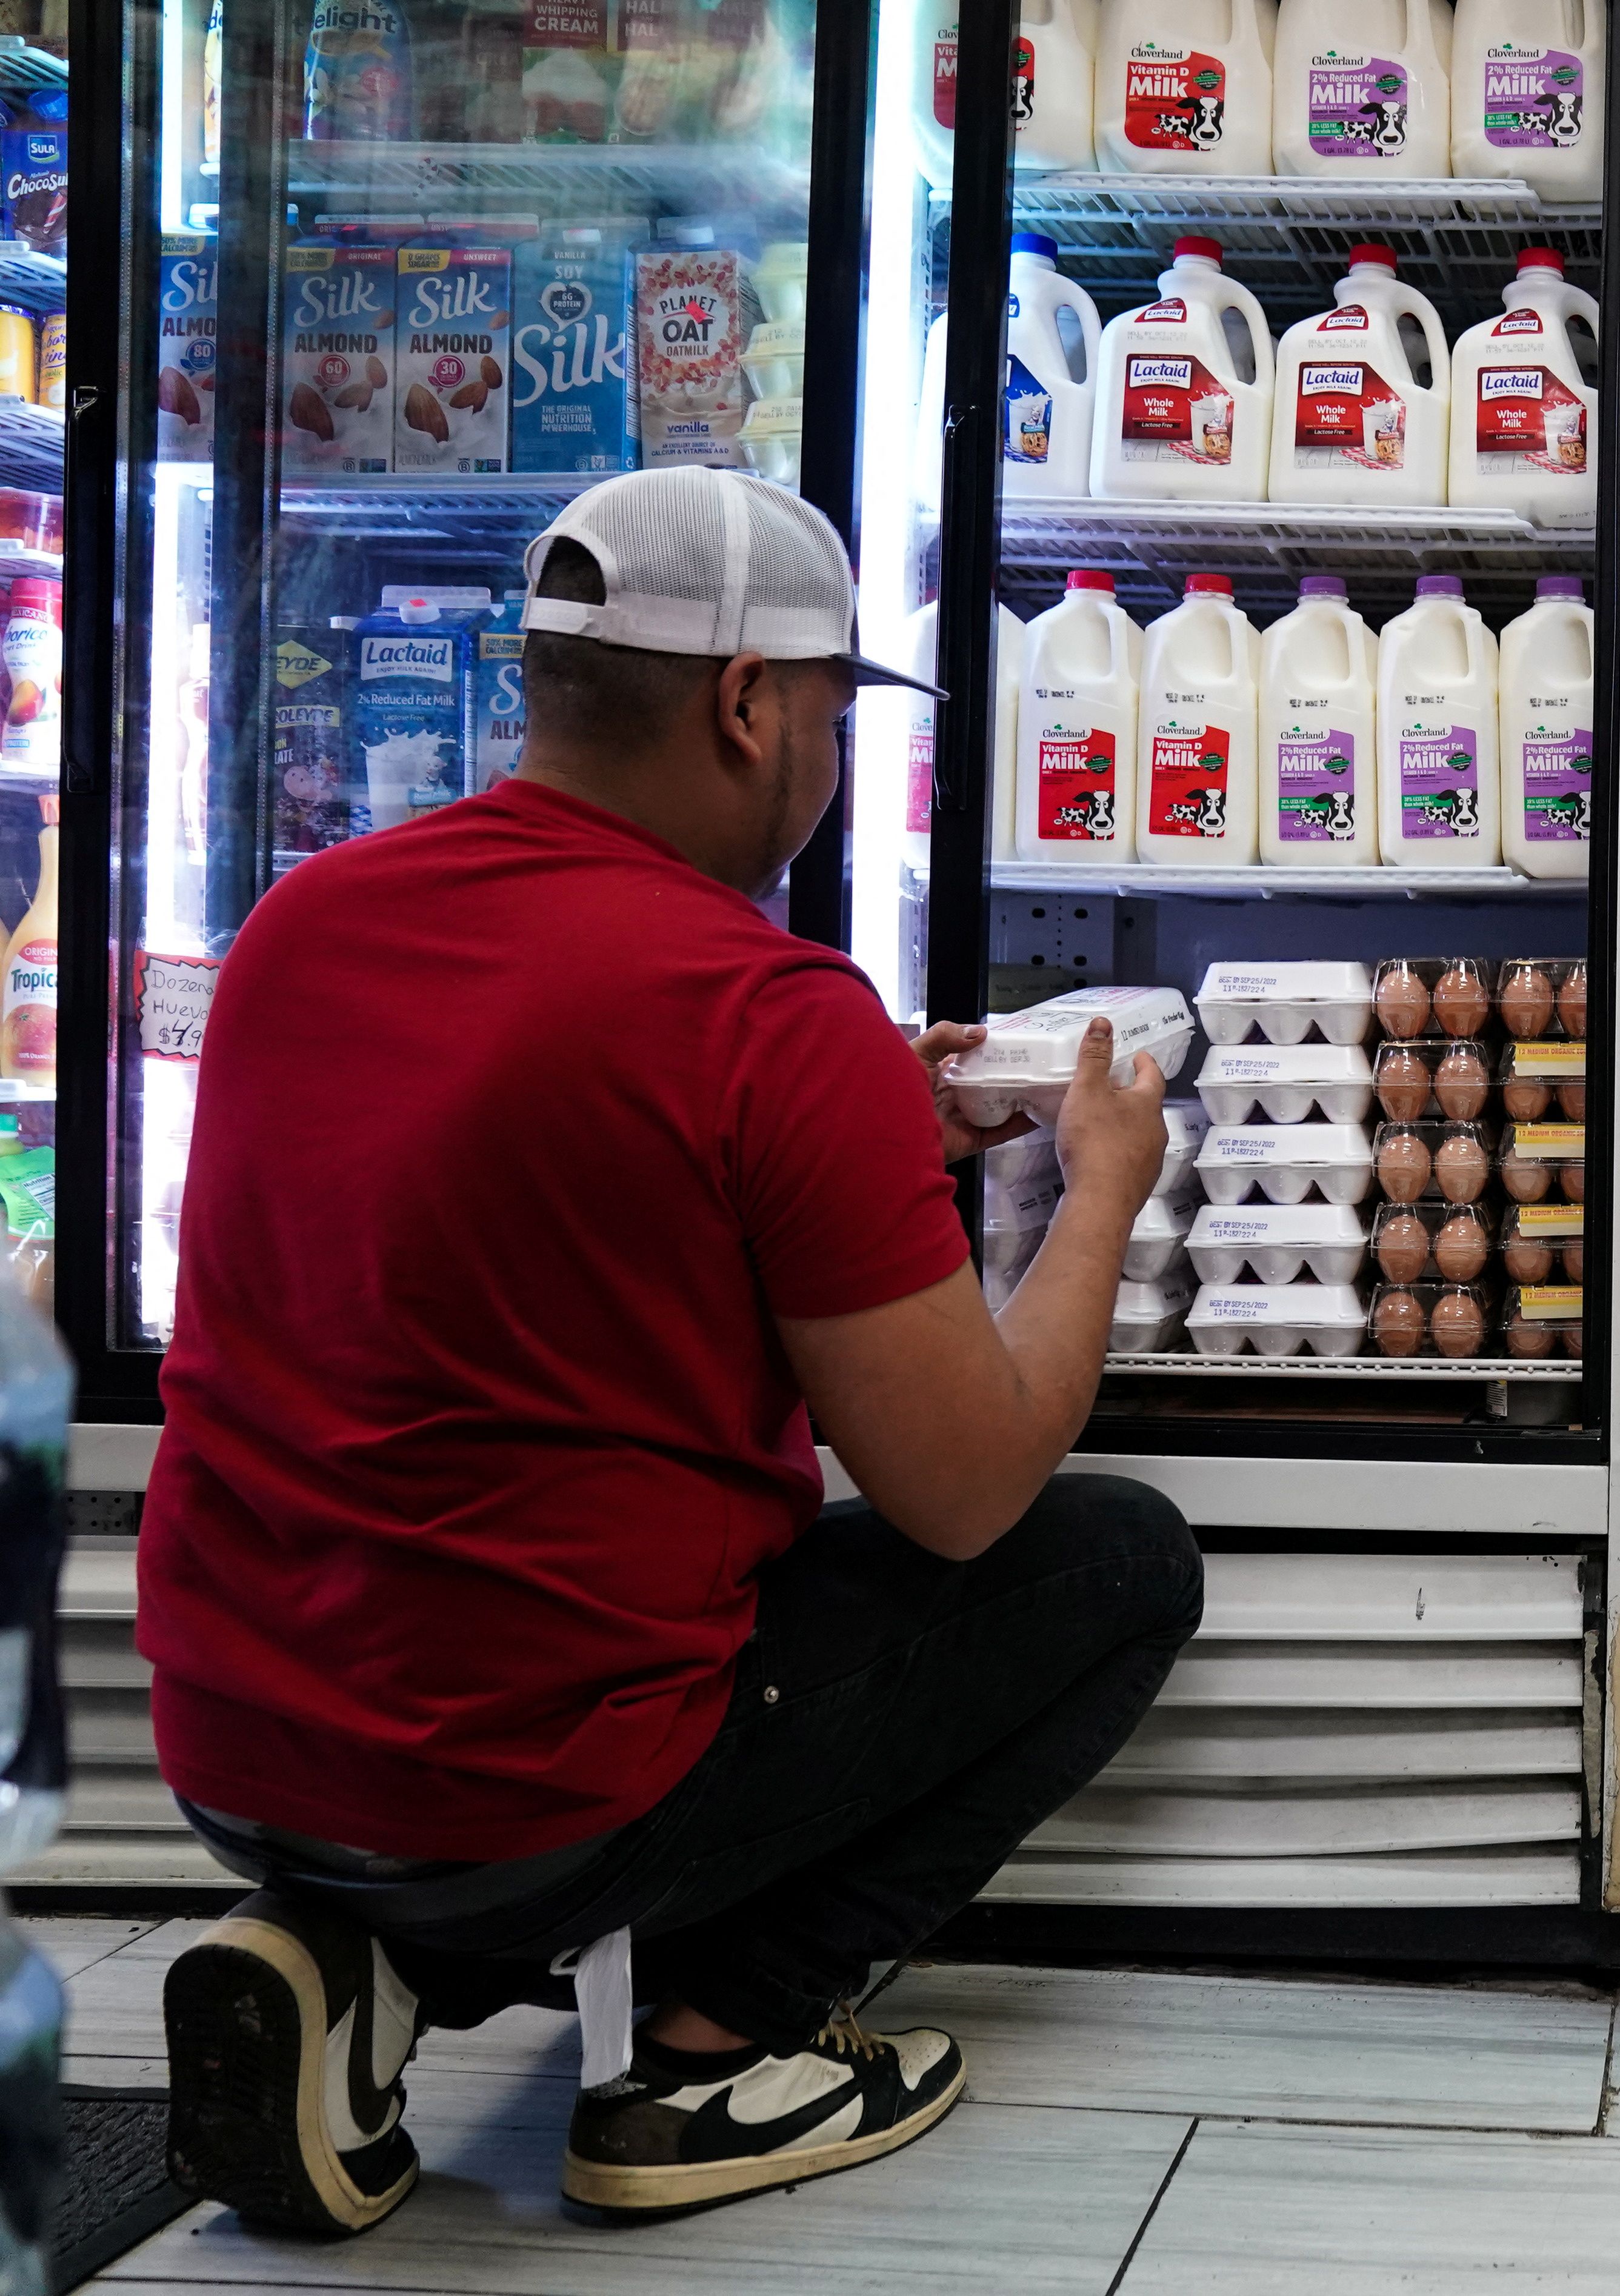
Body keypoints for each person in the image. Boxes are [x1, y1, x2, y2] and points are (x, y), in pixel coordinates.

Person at [134, 469, 1205, 2232]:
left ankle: (366, 1961)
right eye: (833, 711)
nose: (830, 754)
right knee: (1114, 1563)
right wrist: (1101, 1186)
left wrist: (875, 1148)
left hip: (233, 1737)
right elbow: (961, 1488)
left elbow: (533, 1230)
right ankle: (717, 2046)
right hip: (531, 1782)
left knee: (506, 1701)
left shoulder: (303, 926)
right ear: (744, 704)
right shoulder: (771, 1015)